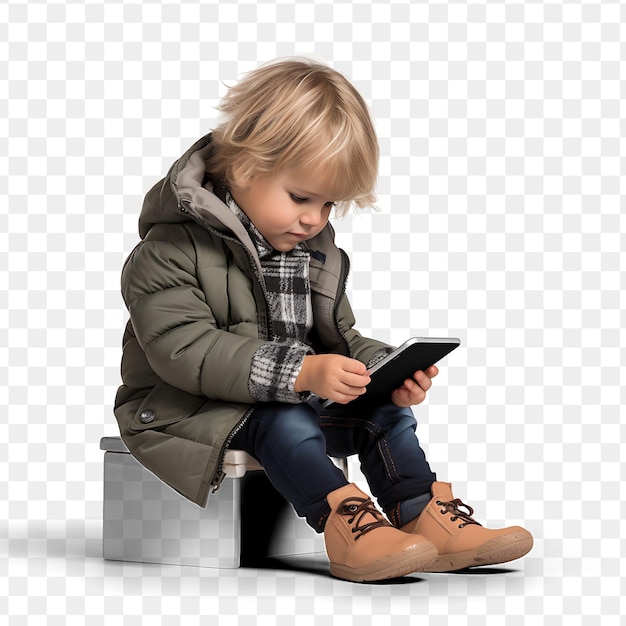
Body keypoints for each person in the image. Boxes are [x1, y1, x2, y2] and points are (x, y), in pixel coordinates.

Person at [114, 57, 533, 582]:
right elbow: (183, 349)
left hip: (281, 400)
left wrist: (383, 369)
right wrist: (298, 373)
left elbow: (340, 337)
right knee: (285, 418)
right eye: (301, 198)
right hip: (185, 410)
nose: (315, 218)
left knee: (382, 413)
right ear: (244, 168)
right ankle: (345, 522)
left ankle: (421, 513)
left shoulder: (309, 252)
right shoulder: (167, 252)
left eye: (329, 203)